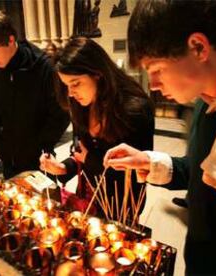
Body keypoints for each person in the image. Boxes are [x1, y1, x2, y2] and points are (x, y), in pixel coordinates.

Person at [104, 1, 216, 275]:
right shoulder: (206, 100)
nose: (153, 85)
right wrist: (149, 161)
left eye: (157, 69)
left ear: (198, 47)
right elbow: (200, 171)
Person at [39, 37, 154, 220]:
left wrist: (90, 159)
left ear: (97, 73)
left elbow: (136, 172)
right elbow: (79, 148)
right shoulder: (80, 106)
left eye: (75, 83)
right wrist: (64, 167)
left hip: (122, 204)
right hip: (90, 197)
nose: (70, 93)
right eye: (66, 85)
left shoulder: (134, 110)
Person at [0, 10, 69, 178]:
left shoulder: (44, 67)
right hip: (8, 162)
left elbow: (61, 114)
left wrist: (43, 145)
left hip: (40, 161)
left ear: (10, 39)